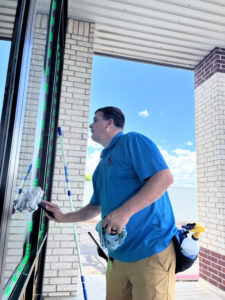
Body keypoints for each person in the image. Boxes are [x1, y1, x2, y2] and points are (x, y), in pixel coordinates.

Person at [43, 106, 177, 300]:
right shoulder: (100, 168)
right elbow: (94, 207)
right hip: (117, 258)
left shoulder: (132, 141)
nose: (90, 124)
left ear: (109, 123)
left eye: (95, 120)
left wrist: (124, 212)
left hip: (151, 251)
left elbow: (164, 178)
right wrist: (63, 217)